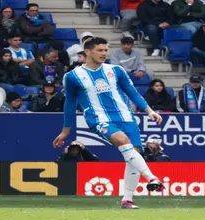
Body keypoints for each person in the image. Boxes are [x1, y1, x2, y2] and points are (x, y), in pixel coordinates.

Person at [52, 37, 164, 209]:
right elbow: (70, 104)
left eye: (105, 50)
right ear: (88, 52)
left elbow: (133, 93)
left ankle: (127, 199)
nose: (104, 53)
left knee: (132, 157)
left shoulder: (116, 70)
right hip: (98, 119)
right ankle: (152, 178)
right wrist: (66, 131)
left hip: (126, 117)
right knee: (122, 141)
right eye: (100, 50)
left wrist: (149, 110)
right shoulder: (73, 76)